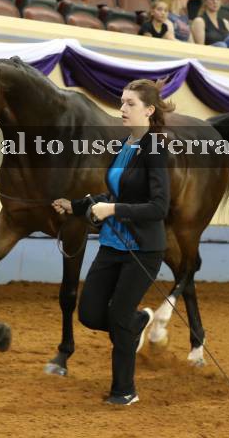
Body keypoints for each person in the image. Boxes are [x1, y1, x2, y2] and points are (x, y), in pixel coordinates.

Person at [51, 79, 171, 406]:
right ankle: (138, 322)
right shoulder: (124, 145)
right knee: (89, 314)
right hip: (112, 245)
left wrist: (113, 210)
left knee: (118, 316)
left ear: (149, 110)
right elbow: (114, 194)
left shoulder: (155, 149)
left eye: (131, 104)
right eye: (122, 102)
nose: (122, 109)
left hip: (143, 250)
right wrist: (76, 206)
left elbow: (159, 207)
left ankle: (124, 390)